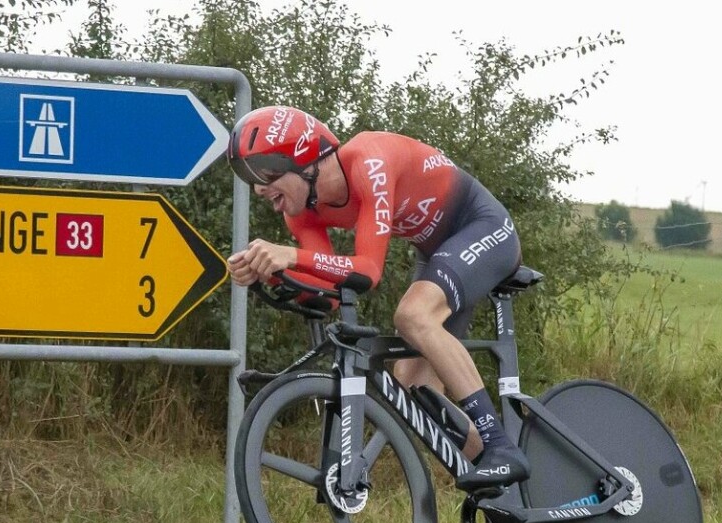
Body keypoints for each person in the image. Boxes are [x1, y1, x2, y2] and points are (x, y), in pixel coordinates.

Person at [225, 105, 528, 492]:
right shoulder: (301, 213)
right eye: (250, 178)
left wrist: (291, 256)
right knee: (414, 390)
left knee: (413, 316)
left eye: (265, 174)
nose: (259, 189)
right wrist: (271, 274)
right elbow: (332, 292)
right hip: (438, 252)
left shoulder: (368, 159)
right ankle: (509, 493)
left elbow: (367, 270)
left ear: (302, 158)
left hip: (483, 227)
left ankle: (503, 448)